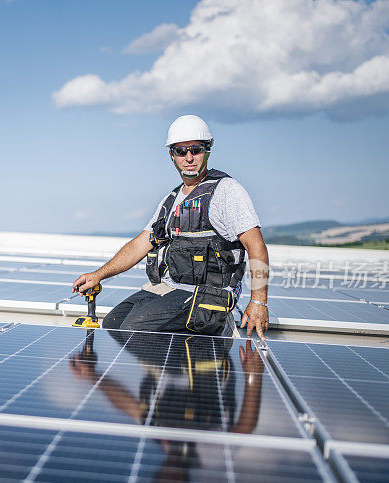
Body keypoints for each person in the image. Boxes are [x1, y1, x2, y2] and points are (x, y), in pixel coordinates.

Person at [72, 115, 269, 339]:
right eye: (181, 151)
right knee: (113, 323)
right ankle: (162, 371)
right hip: (170, 289)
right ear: (171, 155)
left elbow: (256, 247)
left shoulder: (226, 191)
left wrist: (258, 301)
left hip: (208, 296)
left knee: (135, 327)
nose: (189, 158)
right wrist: (98, 275)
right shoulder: (170, 200)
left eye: (196, 149)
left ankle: (207, 342)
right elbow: (139, 244)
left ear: (208, 150)